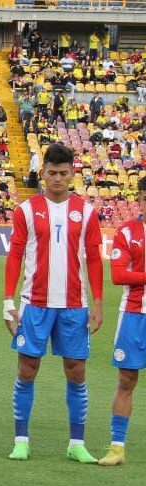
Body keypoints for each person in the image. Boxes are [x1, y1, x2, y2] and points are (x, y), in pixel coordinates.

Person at [3, 143, 104, 463]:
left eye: (63, 173)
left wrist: (98, 303)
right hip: (35, 304)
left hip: (75, 305)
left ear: (72, 174)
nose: (57, 179)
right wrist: (8, 300)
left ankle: (76, 443)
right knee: (27, 370)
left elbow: (94, 262)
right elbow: (15, 255)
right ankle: (21, 440)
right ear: (42, 173)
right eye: (52, 173)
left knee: (76, 372)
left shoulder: (86, 212)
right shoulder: (27, 211)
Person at [99, 176, 146, 466]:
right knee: (127, 379)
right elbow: (118, 275)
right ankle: (117, 447)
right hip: (134, 314)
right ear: (140, 199)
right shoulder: (128, 232)